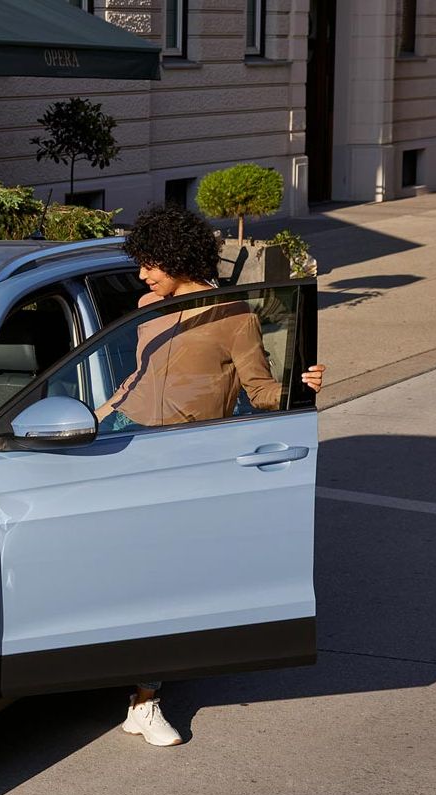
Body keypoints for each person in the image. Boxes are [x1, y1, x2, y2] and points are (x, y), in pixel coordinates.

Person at [101, 203, 326, 746]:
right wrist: (99, 416)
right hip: (124, 441)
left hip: (185, 455)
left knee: (163, 577)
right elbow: (139, 375)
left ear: (178, 258)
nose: (143, 274)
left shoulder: (233, 316)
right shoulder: (147, 306)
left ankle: (145, 700)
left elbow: (260, 391)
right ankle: (118, 679)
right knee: (122, 570)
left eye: (151, 263)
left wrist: (304, 386)